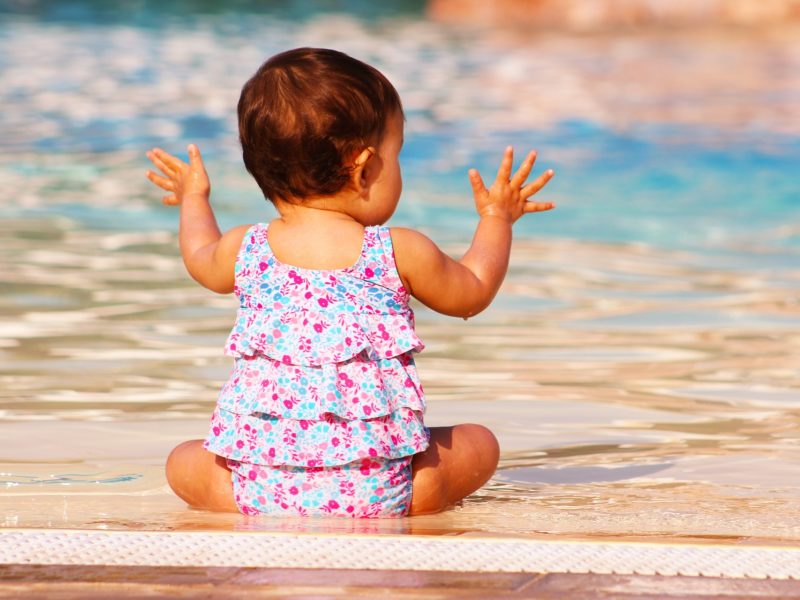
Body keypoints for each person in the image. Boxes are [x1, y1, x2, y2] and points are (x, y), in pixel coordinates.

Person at [145, 47, 554, 517]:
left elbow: (199, 257)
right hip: (385, 495)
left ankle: (261, 503)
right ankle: (397, 505)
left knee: (183, 460)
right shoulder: (398, 250)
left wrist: (194, 198)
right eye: (397, 154)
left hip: (254, 495)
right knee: (481, 443)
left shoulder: (245, 248)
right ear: (365, 169)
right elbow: (473, 291)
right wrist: (496, 218)